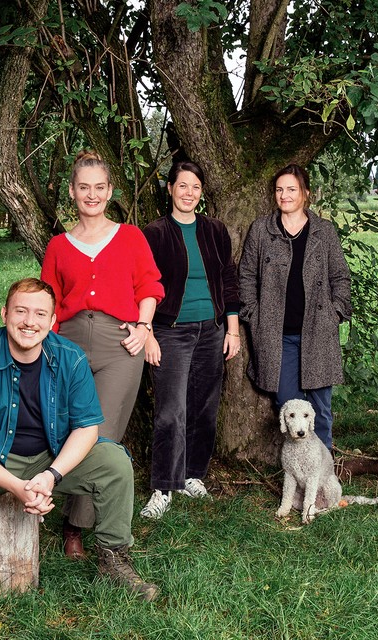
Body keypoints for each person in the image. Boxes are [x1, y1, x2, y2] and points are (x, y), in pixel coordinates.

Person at [0, 278, 158, 629]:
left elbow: (87, 428)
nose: (30, 321)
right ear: (4, 314)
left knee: (115, 462)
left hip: (50, 456)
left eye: (40, 314)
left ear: (52, 320)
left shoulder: (70, 358)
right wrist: (17, 486)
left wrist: (52, 475)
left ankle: (114, 561)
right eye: (21, 311)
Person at [40, 150, 164, 558]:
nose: (91, 195)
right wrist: (47, 347)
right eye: (83, 188)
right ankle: (60, 508)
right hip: (68, 344)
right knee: (70, 428)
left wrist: (144, 328)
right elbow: (49, 301)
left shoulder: (130, 236)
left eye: (99, 187)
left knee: (101, 435)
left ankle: (76, 525)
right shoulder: (58, 245)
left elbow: (149, 286)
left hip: (120, 343)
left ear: (110, 191)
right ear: (72, 192)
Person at [139, 160, 241, 519]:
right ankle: (163, 486)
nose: (189, 193)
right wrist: (147, 333)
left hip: (212, 330)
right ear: (170, 189)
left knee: (204, 407)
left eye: (195, 187)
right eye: (182, 185)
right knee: (171, 411)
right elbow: (143, 285)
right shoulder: (155, 233)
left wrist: (232, 329)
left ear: (202, 192)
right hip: (170, 331)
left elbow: (228, 279)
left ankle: (193, 475)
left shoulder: (215, 230)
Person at [239, 164, 351, 451]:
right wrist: (254, 315)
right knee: (289, 407)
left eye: (291, 189)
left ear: (306, 193)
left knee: (320, 411)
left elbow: (340, 276)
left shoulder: (323, 231)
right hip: (277, 336)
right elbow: (247, 276)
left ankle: (323, 471)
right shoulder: (262, 230)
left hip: (318, 332)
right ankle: (300, 470)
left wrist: (335, 313)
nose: (284, 195)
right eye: (279, 190)